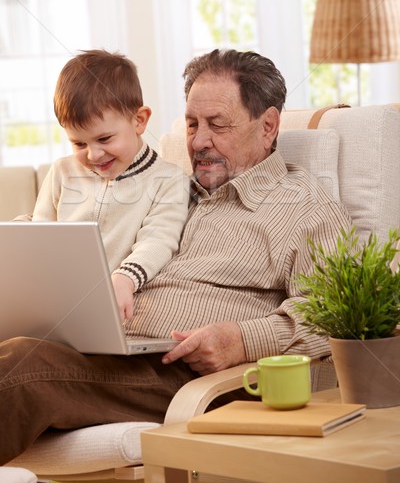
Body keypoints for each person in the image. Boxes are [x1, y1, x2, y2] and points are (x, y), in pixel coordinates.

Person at [0, 49, 353, 464]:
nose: (199, 141)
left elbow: (336, 315)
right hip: (108, 353)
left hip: (188, 377)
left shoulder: (305, 207)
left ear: (269, 126)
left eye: (217, 125)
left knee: (22, 368)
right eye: (191, 124)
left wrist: (240, 340)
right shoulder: (164, 186)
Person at [31, 49, 190, 320]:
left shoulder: (169, 180)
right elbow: (38, 238)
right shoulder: (61, 171)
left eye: (104, 139)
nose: (93, 155)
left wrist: (124, 279)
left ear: (139, 121)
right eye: (79, 143)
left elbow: (159, 240)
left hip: (115, 310)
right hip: (56, 307)